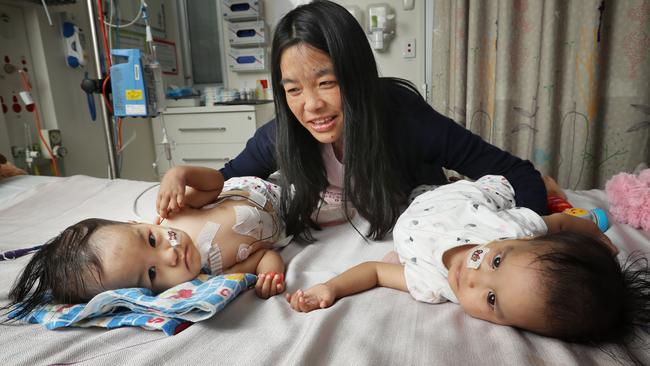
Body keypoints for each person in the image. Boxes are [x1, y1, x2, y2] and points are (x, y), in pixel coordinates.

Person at [157, 0, 549, 242]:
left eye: (326, 82)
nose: (310, 105)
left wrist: (524, 236)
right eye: (293, 90)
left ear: (357, 75)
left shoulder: (406, 119)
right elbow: (228, 181)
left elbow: (518, 173)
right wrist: (180, 182)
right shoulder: (283, 135)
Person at [285, 175, 650, 342]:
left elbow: (375, 272)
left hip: (417, 203)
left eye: (491, 300)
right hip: (468, 192)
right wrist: (590, 229)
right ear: (514, 242)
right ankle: (553, 188)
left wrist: (330, 288)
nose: (474, 277)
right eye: (496, 263)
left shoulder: (434, 285)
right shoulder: (510, 226)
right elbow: (555, 227)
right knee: (530, 191)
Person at [5, 176, 288, 321]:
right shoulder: (213, 271)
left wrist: (181, 174)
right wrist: (269, 276)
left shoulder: (174, 213)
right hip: (289, 207)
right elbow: (264, 255)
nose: (171, 254)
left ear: (137, 223)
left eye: (152, 240)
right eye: (153, 273)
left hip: (251, 186)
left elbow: (214, 184)